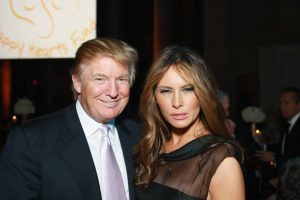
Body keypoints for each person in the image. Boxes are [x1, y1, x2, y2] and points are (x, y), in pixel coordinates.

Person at [0, 38, 140, 200]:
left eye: (121, 79)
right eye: (100, 79)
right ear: (77, 82)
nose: (113, 91)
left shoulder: (140, 136)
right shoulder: (30, 142)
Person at [134, 45, 245, 200]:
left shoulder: (220, 161)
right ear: (154, 98)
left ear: (203, 93)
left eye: (187, 89)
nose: (177, 102)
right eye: (166, 91)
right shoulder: (152, 146)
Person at [255, 86, 300, 172]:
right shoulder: (287, 123)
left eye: (286, 103)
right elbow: (283, 148)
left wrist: (274, 157)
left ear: (298, 105)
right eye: (280, 103)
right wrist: (264, 146)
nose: (281, 107)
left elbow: (296, 155)